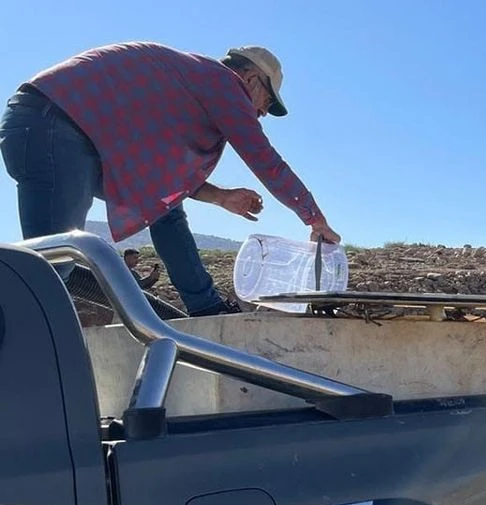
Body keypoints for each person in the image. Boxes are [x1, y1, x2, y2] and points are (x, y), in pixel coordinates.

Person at [0, 42, 341, 316]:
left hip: (65, 129)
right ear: (250, 78)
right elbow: (264, 159)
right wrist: (314, 217)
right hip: (53, 124)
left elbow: (159, 184)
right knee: (48, 272)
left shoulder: (191, 83)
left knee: (165, 209)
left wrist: (220, 197)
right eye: (266, 102)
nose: (262, 113)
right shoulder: (224, 84)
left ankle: (205, 307)